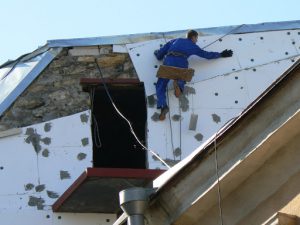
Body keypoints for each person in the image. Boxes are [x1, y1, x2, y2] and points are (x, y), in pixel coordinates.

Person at [154, 30, 233, 120]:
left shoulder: (176, 40)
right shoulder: (193, 46)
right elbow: (206, 55)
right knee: (182, 76)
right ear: (193, 37)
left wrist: (158, 55)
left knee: (160, 85)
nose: (197, 40)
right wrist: (221, 54)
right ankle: (179, 86)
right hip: (181, 61)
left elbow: (162, 51)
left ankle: (163, 105)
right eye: (196, 38)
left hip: (169, 60)